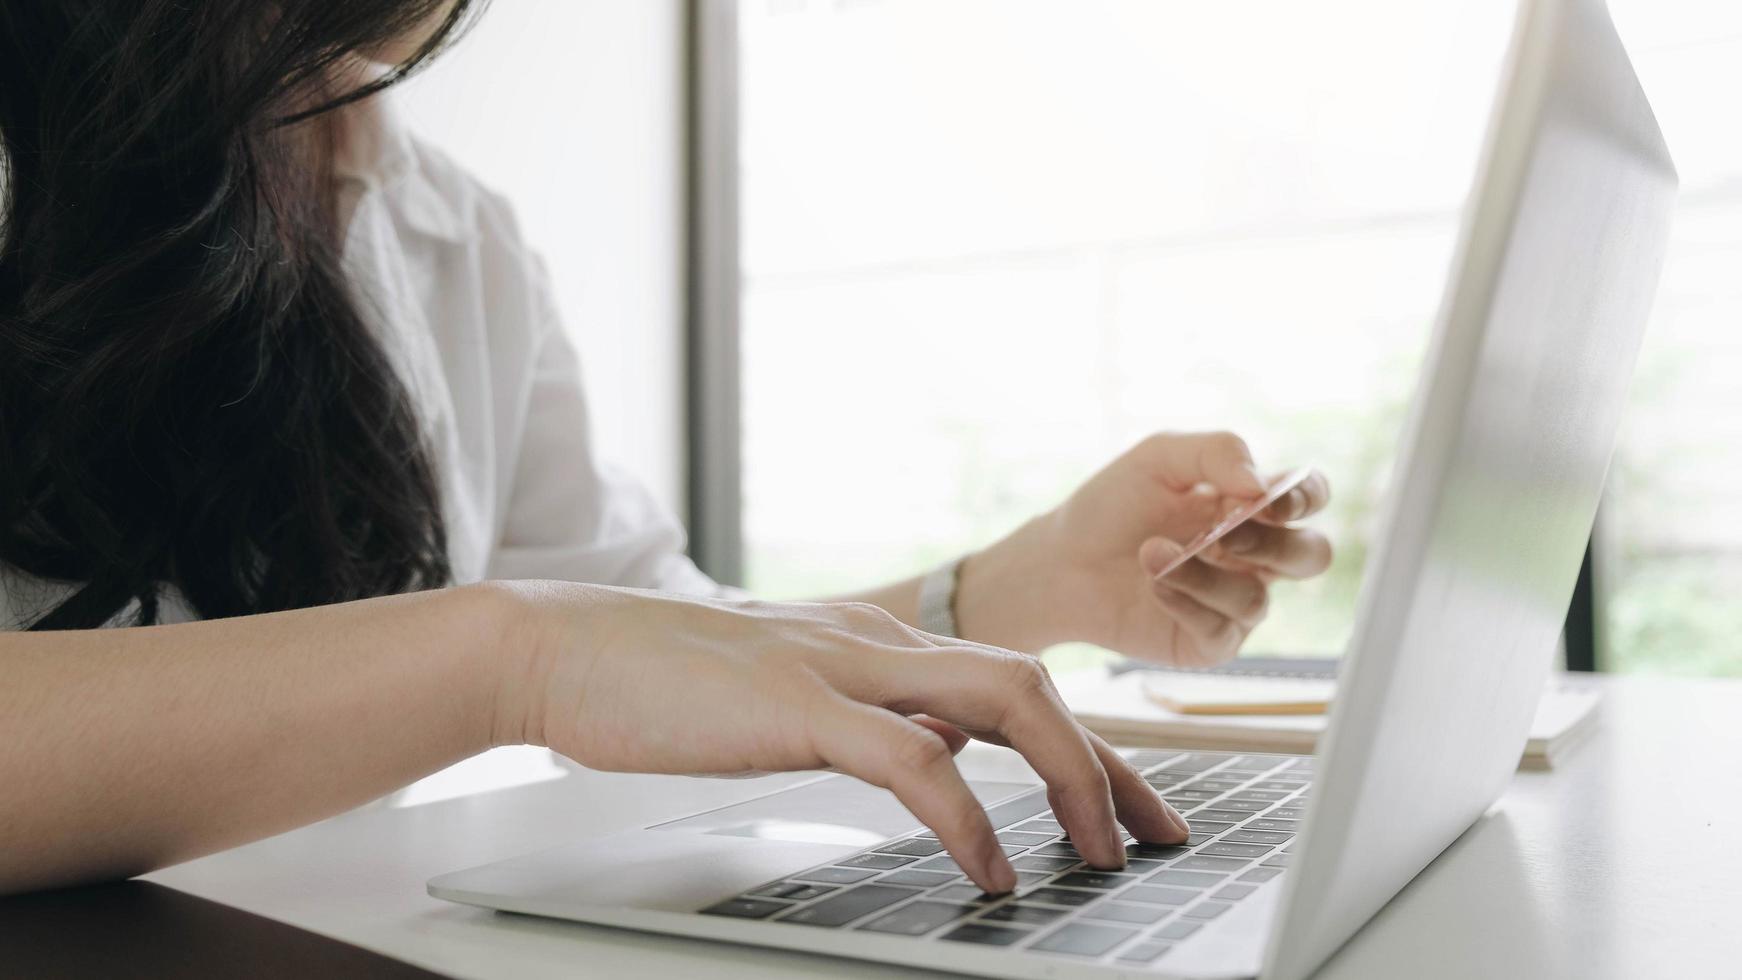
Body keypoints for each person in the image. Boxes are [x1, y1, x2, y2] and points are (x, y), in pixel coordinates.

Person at [0, 1, 1332, 898]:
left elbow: (660, 644)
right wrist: (511, 654)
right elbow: (565, 648)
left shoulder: (449, 223)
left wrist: (1007, 592)